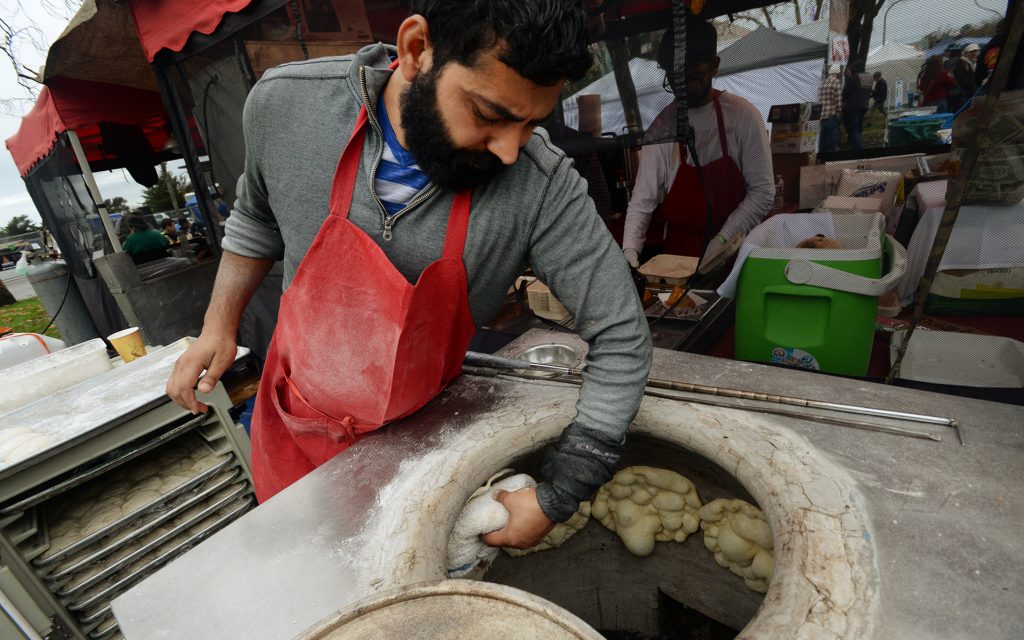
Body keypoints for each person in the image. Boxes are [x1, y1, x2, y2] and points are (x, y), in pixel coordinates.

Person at [166, 0, 652, 550]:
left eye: (531, 123)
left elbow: (622, 337)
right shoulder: (286, 107)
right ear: (417, 49)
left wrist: (561, 491)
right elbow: (256, 216)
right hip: (294, 428)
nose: (511, 151)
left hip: (423, 444)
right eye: (489, 115)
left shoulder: (540, 186)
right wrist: (217, 325)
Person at [621, 15, 772, 268]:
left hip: (734, 252)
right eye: (675, 79)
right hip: (677, 258)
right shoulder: (662, 127)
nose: (685, 88)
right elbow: (643, 199)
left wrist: (721, 241)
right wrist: (630, 249)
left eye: (693, 77)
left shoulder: (742, 116)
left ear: (714, 66)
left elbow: (763, 192)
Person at [841, 59, 872, 150]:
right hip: (864, 106)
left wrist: (842, 103)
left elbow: (845, 93)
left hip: (853, 107)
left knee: (854, 129)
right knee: (858, 127)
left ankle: (859, 149)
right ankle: (856, 146)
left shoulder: (854, 77)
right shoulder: (869, 77)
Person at [818, 64, 842, 154]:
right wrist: (839, 111)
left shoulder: (823, 83)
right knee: (832, 139)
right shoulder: (836, 82)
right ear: (837, 73)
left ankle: (821, 158)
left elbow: (820, 99)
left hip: (822, 115)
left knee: (823, 139)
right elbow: (838, 99)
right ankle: (832, 157)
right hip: (831, 114)